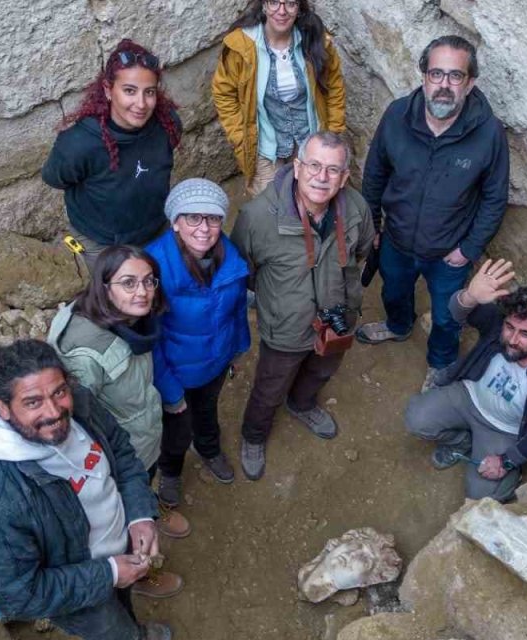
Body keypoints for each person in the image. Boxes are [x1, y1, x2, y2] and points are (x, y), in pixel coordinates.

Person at [0, 340, 173, 639]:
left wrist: (139, 515)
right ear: (2, 407)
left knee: (124, 605)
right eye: (33, 402)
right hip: (79, 593)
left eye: (59, 392)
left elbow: (121, 452)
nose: (55, 411)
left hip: (120, 549)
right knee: (113, 630)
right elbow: (16, 594)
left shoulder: (80, 403)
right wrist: (108, 574)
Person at [355, 35, 511, 393]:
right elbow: (375, 173)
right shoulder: (397, 115)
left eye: (455, 76)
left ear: (470, 83)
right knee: (393, 291)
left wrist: (468, 250)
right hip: (395, 239)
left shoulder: (489, 134)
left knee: (446, 317)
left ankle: (441, 363)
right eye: (436, 73)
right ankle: (398, 325)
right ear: (424, 76)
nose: (444, 85)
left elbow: (494, 198)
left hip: (449, 254)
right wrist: (373, 225)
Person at [46, 245, 190, 597]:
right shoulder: (83, 353)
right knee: (122, 517)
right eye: (128, 283)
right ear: (105, 286)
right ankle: (140, 571)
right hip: (118, 455)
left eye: (148, 281)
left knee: (146, 477)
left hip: (142, 434)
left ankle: (149, 505)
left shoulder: (130, 320)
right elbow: (76, 428)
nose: (142, 292)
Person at [230, 131, 373, 480]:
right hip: (286, 326)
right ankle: (254, 435)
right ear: (296, 167)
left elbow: (363, 250)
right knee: (270, 386)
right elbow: (242, 273)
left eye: (333, 170)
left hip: (338, 319)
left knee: (321, 370)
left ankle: (303, 404)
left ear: (344, 177)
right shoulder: (257, 217)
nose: (322, 177)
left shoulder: (356, 208)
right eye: (314, 165)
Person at [403, 259, 527, 503]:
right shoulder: (498, 324)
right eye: (510, 327)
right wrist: (469, 296)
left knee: (484, 496)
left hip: (504, 429)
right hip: (468, 397)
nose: (513, 339)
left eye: (525, 334)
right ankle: (462, 442)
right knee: (416, 419)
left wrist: (506, 461)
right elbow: (458, 311)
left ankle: (500, 468)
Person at [145, 178, 251, 506]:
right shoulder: (152, 268)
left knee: (207, 413)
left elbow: (236, 311)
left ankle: (209, 449)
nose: (204, 228)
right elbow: (151, 339)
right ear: (176, 222)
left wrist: (237, 349)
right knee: (176, 430)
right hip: (175, 372)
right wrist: (171, 391)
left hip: (215, 363)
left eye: (213, 218)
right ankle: (172, 471)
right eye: (193, 217)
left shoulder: (229, 255)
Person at [43, 39, 182, 267]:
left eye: (149, 92)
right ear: (108, 90)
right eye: (129, 91)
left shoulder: (167, 125)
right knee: (118, 296)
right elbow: (55, 178)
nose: (141, 104)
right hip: (102, 241)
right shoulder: (79, 144)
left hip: (155, 228)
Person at [212, 0, 347, 198]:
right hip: (265, 145)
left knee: (312, 200)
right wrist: (240, 137)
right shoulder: (241, 45)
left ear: (299, 8)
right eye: (274, 2)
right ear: (264, 5)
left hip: (309, 138)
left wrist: (332, 134)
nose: (281, 11)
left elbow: (335, 88)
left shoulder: (315, 41)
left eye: (290, 4)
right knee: (271, 206)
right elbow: (224, 93)